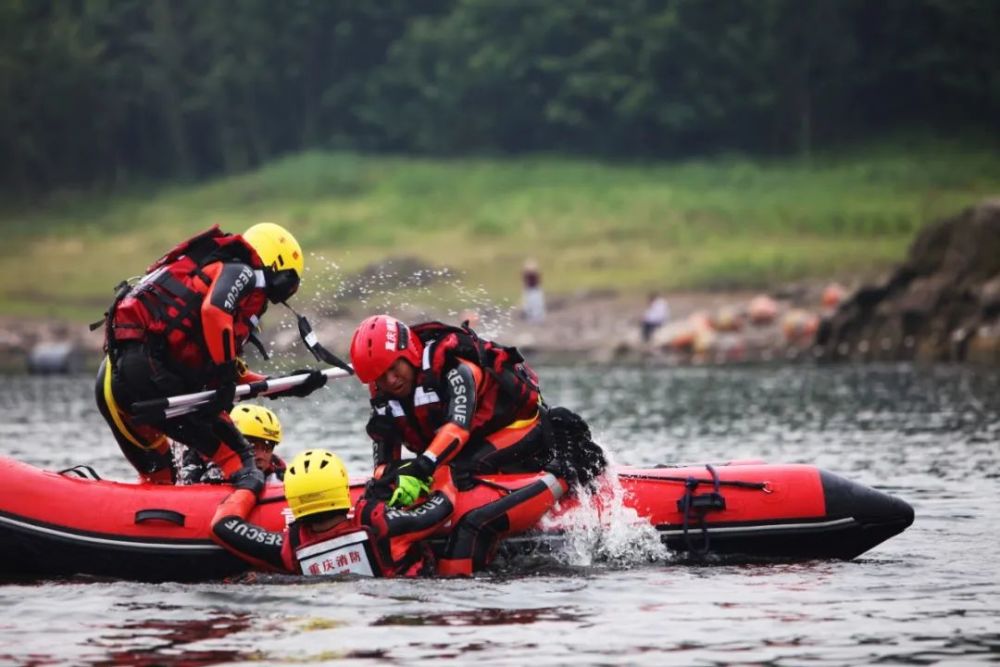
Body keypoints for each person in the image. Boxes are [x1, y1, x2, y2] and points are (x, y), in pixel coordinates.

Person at [93, 223, 326, 495]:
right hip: (144, 379)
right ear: (276, 265)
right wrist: (226, 375)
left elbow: (237, 377)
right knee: (239, 460)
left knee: (162, 480)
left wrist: (290, 385)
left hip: (118, 380)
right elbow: (215, 312)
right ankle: (237, 527)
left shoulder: (212, 286)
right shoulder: (242, 272)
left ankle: (156, 525)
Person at [347, 315, 605, 510]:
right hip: (462, 447)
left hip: (521, 426)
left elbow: (456, 429)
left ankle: (555, 485)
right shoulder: (382, 398)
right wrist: (387, 483)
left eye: (394, 369)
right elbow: (383, 463)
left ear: (408, 354)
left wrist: (422, 468)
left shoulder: (456, 369)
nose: (391, 381)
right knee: (429, 470)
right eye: (380, 377)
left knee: (456, 469)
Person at [210, 449, 566, 577]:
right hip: (434, 584)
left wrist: (248, 485)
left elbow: (223, 526)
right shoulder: (380, 524)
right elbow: (440, 509)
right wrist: (441, 470)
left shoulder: (290, 550)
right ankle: (564, 474)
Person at [178, 404, 287, 485]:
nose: (261, 456)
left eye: (267, 448)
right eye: (252, 446)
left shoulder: (280, 475)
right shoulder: (194, 468)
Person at [521, 259, 546, 323]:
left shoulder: (535, 274)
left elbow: (538, 282)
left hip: (535, 290)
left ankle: (538, 317)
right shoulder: (526, 274)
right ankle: (531, 317)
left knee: (537, 304)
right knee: (529, 304)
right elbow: (525, 283)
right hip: (530, 290)